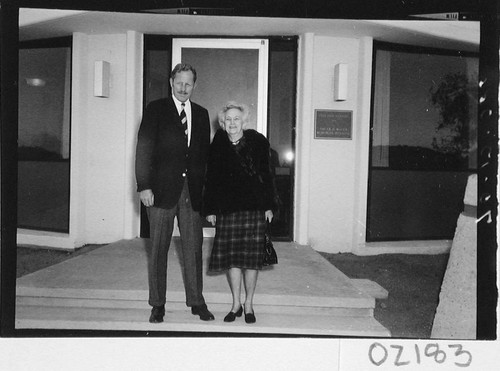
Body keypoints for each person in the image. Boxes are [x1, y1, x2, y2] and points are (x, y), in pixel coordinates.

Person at [135, 63, 214, 323]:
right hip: (159, 193)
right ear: (171, 82)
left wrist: (207, 195)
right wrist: (144, 185)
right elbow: (143, 149)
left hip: (191, 193)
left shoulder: (201, 114)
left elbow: (204, 157)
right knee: (158, 250)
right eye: (179, 82)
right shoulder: (155, 109)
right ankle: (157, 304)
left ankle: (196, 301)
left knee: (193, 250)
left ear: (194, 85)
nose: (183, 88)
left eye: (188, 83)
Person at [204, 102, 276, 324]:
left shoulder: (257, 143)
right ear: (223, 124)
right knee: (233, 260)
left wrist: (269, 205)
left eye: (236, 119)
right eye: (228, 120)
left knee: (251, 261)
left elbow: (268, 176)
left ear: (243, 121)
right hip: (228, 210)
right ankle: (235, 303)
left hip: (253, 209)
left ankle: (249, 304)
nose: (232, 123)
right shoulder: (218, 145)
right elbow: (212, 179)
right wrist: (211, 209)